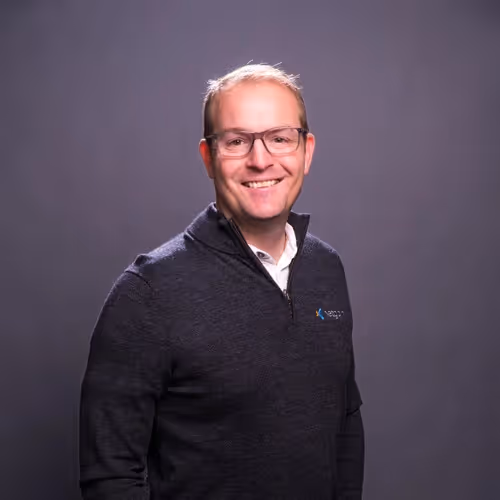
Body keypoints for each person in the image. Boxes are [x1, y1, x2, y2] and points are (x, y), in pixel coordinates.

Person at [79, 63, 365, 500]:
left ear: (306, 151)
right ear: (208, 157)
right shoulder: (148, 292)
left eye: (280, 138)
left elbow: (344, 420)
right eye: (236, 141)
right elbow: (110, 476)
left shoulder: (326, 268)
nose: (260, 159)